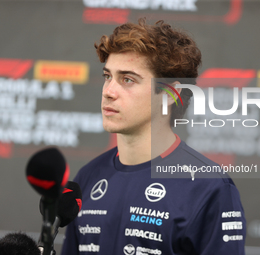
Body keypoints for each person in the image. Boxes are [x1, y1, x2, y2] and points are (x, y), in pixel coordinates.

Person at [61, 18, 246, 255]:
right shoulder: (88, 177)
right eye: (108, 76)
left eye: (127, 79)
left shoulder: (210, 188)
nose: (108, 92)